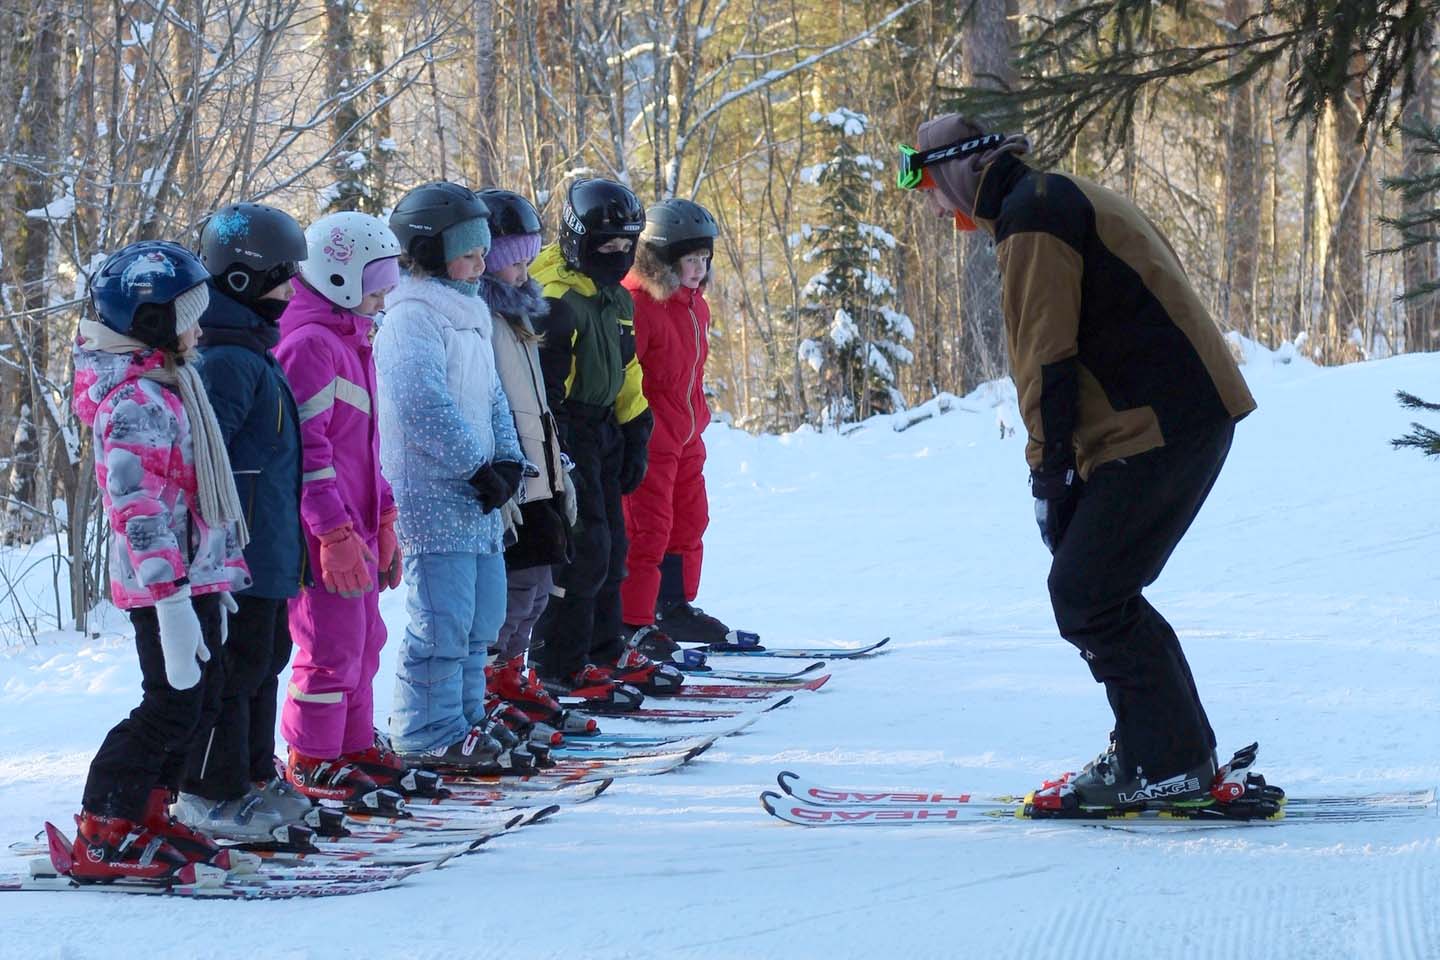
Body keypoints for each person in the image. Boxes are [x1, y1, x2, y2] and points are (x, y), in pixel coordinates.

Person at [903, 114, 1257, 808]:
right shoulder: (1047, 199)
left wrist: (1049, 472)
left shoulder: (1034, 218)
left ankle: (1168, 760)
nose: (931, 204)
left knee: (1087, 593)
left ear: (955, 170)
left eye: (927, 184)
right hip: (1169, 419)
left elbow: (1046, 358)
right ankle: (1167, 749)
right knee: (1099, 591)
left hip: (1162, 424)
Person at [69, 240, 257, 882]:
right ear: (152, 323)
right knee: (171, 704)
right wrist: (173, 601)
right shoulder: (134, 402)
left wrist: (215, 576)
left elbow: (195, 495)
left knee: (201, 700)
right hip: (162, 588)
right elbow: (139, 510)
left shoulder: (171, 386)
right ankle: (103, 824)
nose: (199, 328)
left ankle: (148, 809)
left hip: (194, 576)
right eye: (189, 315)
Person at [165, 202, 317, 845]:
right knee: (235, 672)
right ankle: (209, 789)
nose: (292, 291)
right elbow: (206, 460)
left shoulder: (254, 349)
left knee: (265, 661)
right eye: (283, 277)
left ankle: (252, 773)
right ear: (241, 280)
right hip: (240, 555)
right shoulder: (228, 358)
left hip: (269, 548)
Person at [377, 181, 534, 772]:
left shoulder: (468, 310)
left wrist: (509, 458)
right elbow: (420, 403)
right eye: (466, 252)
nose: (478, 263)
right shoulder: (411, 316)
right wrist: (475, 463)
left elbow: (493, 395)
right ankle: (426, 729)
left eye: (481, 251)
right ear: (430, 251)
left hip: (478, 493)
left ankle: (465, 718)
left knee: (481, 617)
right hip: (435, 490)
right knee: (442, 619)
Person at [276, 211, 409, 809]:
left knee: (365, 639)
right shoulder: (310, 346)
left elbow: (368, 444)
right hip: (321, 533)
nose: (383, 299)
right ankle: (312, 756)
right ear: (339, 279)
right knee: (328, 647)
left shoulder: (354, 342)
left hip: (356, 522)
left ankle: (349, 746)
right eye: (376, 286)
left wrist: (382, 517)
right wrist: (332, 531)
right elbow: (309, 452)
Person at [529, 178, 681, 702]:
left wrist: (637, 427)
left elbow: (626, 364)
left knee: (614, 545)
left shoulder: (613, 296)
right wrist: (554, 448)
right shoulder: (557, 296)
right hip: (565, 429)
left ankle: (603, 648)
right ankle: (558, 662)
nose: (618, 255)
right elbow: (541, 387)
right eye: (607, 245)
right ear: (578, 239)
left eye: (626, 245)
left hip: (603, 429)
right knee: (583, 550)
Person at [472, 187, 596, 738]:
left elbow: (536, 400)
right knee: (516, 587)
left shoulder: (523, 314)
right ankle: (491, 678)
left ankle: (512, 673)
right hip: (510, 478)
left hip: (540, 469)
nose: (524, 270)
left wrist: (555, 463)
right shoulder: (482, 317)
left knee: (542, 585)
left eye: (528, 258)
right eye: (514, 260)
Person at [619, 198, 752, 657]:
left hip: (687, 433)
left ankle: (672, 607)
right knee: (647, 529)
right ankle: (633, 619)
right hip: (651, 434)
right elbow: (626, 373)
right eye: (689, 260)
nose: (699, 269)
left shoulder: (695, 307)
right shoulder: (639, 304)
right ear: (662, 260)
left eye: (704, 259)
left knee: (690, 521)